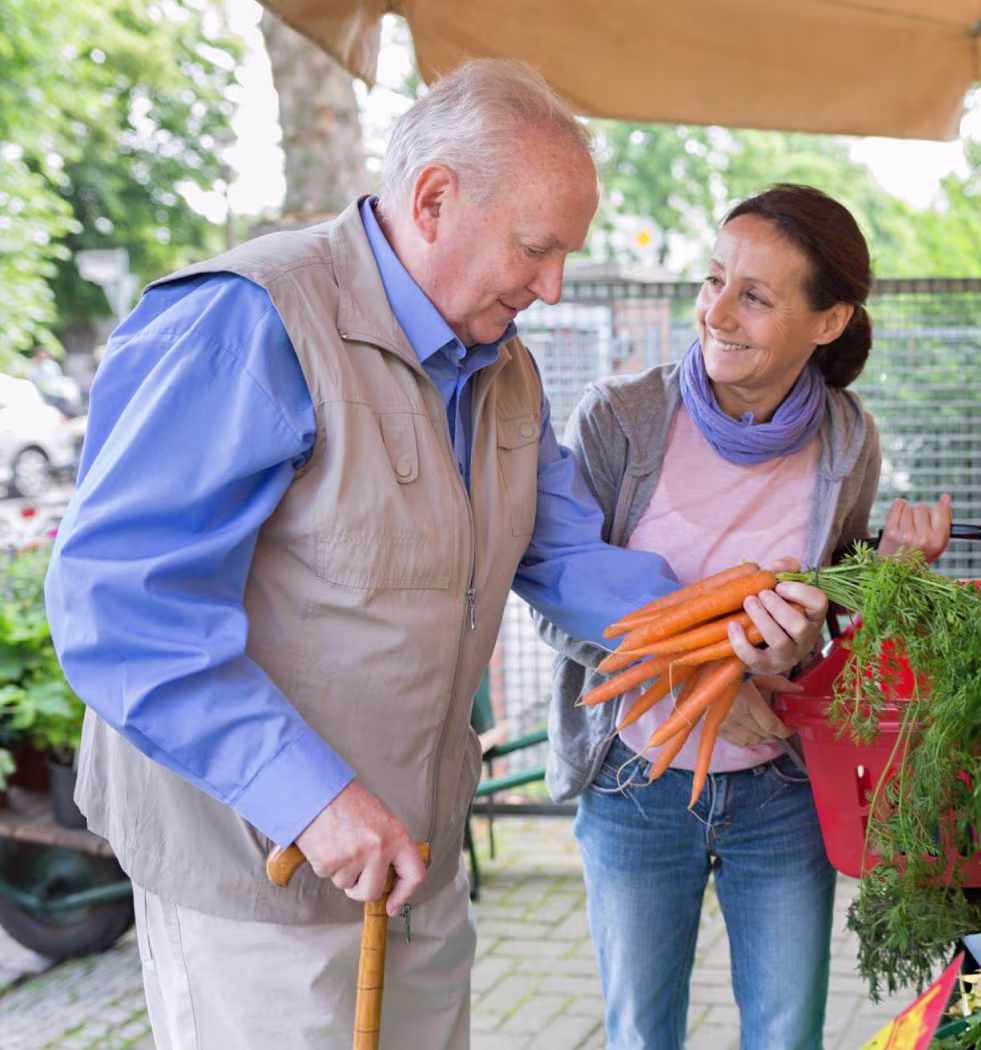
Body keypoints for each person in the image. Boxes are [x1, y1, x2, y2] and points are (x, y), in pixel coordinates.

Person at [43, 62, 821, 1050]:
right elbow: (120, 611)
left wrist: (727, 625)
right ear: (434, 199)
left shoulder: (506, 370)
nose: (553, 287)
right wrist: (313, 801)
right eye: (538, 250)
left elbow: (567, 556)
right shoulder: (251, 322)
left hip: (415, 860)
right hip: (256, 875)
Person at [536, 184, 954, 1050]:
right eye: (714, 279)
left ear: (828, 321)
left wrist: (879, 586)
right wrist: (708, 681)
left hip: (781, 790)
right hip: (635, 777)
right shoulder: (621, 420)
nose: (717, 312)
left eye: (756, 296)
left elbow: (824, 615)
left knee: (786, 1036)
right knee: (643, 1036)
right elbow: (552, 596)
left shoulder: (846, 441)